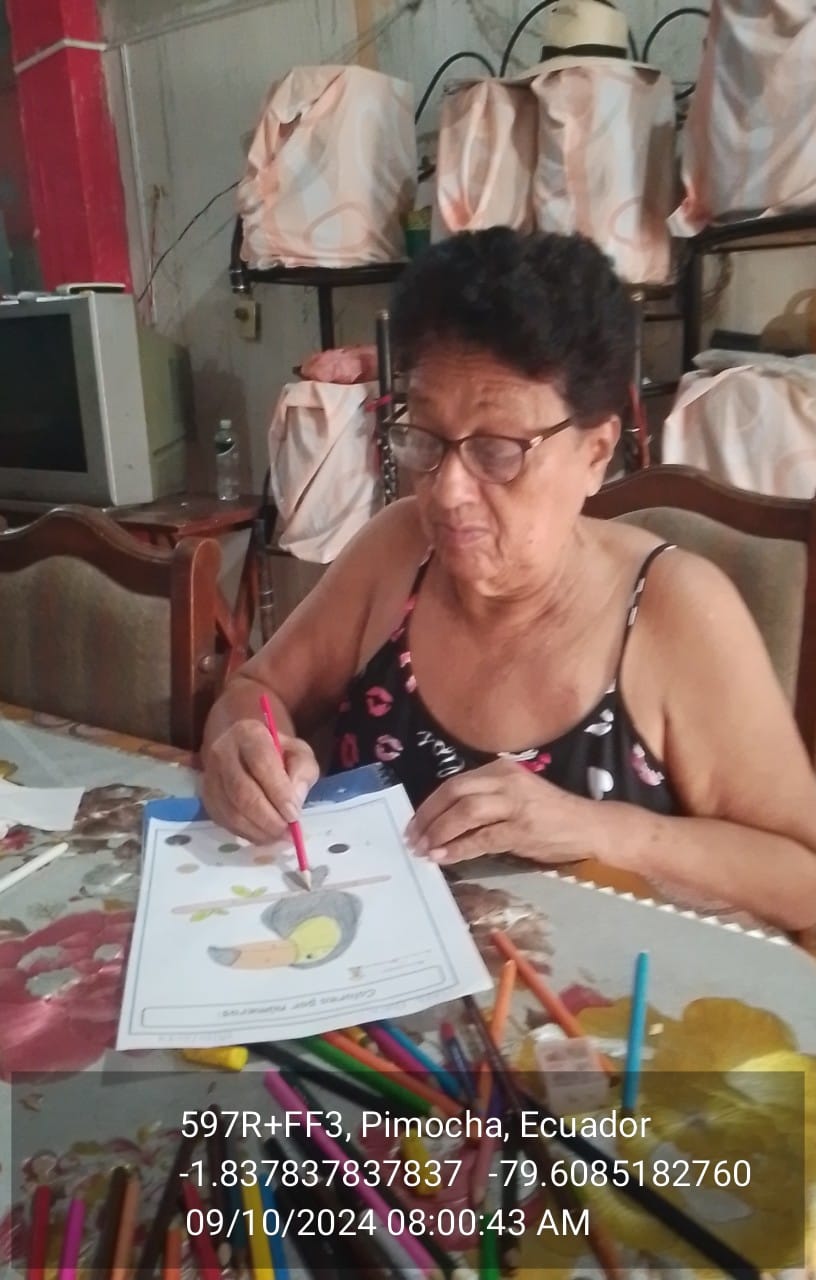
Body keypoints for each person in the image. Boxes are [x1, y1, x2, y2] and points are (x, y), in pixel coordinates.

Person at [201, 227, 816, 932]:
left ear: (596, 452)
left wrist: (594, 829)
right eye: (425, 439)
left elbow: (803, 874)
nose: (446, 490)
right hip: (359, 964)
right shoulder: (397, 552)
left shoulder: (674, 611)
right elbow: (257, 690)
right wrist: (246, 744)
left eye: (497, 451)